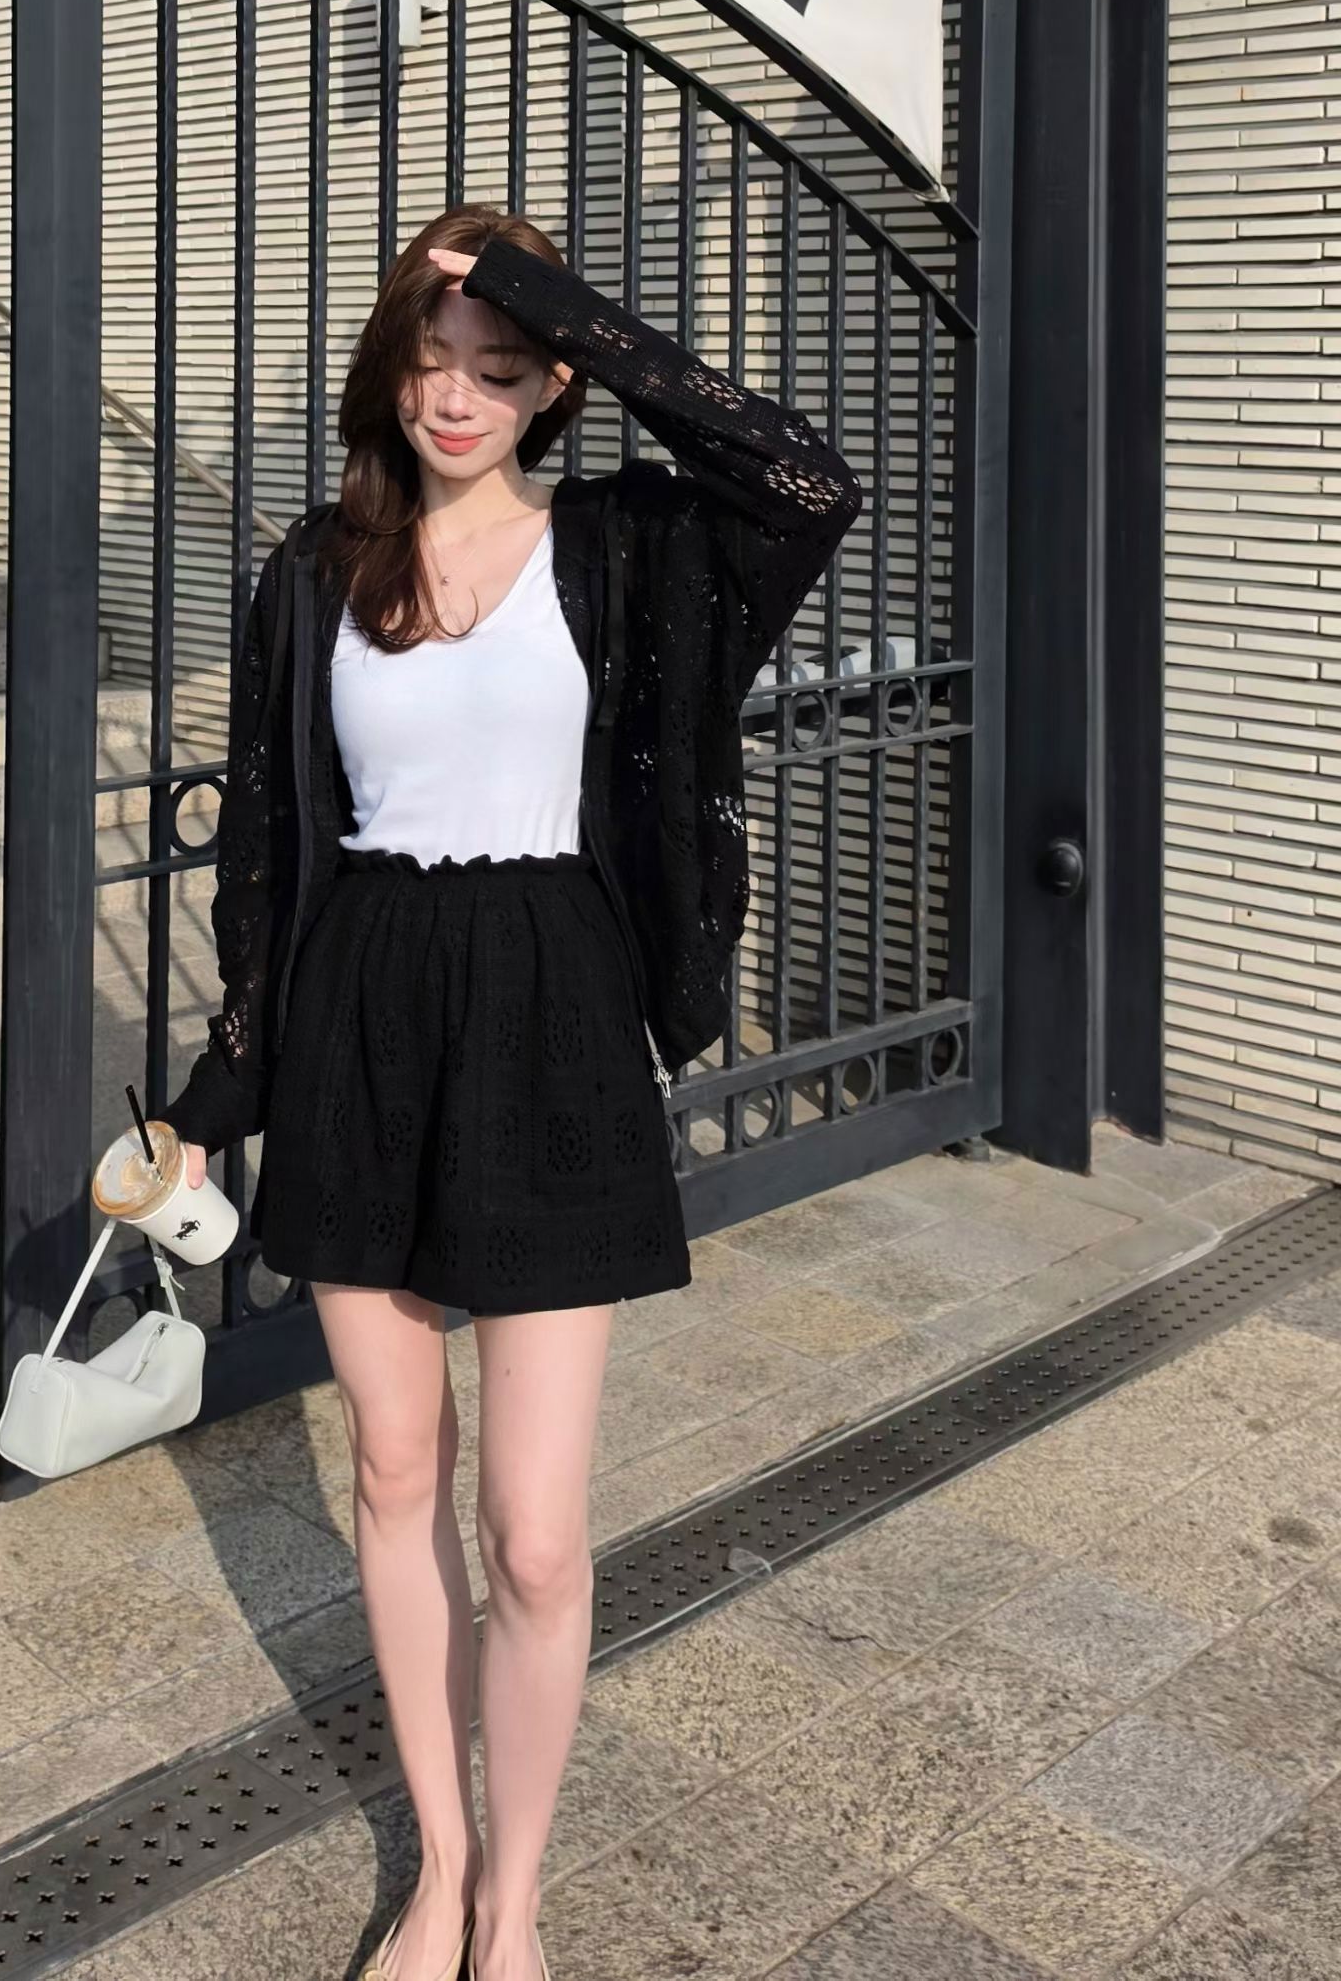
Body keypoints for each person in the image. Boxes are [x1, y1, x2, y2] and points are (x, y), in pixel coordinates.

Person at [163, 208, 859, 1981]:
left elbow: (804, 480)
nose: (457, 396)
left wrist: (548, 296)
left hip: (553, 1015)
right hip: (362, 1019)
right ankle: (444, 1867)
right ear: (386, 372)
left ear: (555, 380)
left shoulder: (624, 546)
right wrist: (220, 1083)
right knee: (397, 1466)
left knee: (535, 1538)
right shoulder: (316, 571)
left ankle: (520, 1897)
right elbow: (268, 843)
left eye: (498, 366)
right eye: (430, 357)